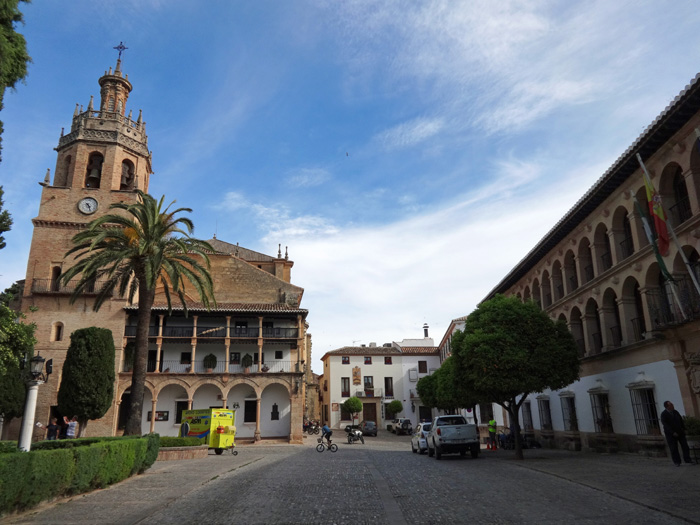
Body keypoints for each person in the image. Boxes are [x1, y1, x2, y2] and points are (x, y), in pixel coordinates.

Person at [660, 401, 692, 466]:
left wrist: (684, 428)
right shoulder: (664, 414)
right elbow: (665, 425)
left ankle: (687, 459)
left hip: (680, 432)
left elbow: (681, 420)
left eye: (672, 404)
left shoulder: (675, 412)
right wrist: (672, 432)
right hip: (671, 434)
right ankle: (677, 461)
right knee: (673, 448)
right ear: (667, 407)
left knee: (685, 446)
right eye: (671, 405)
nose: (673, 406)